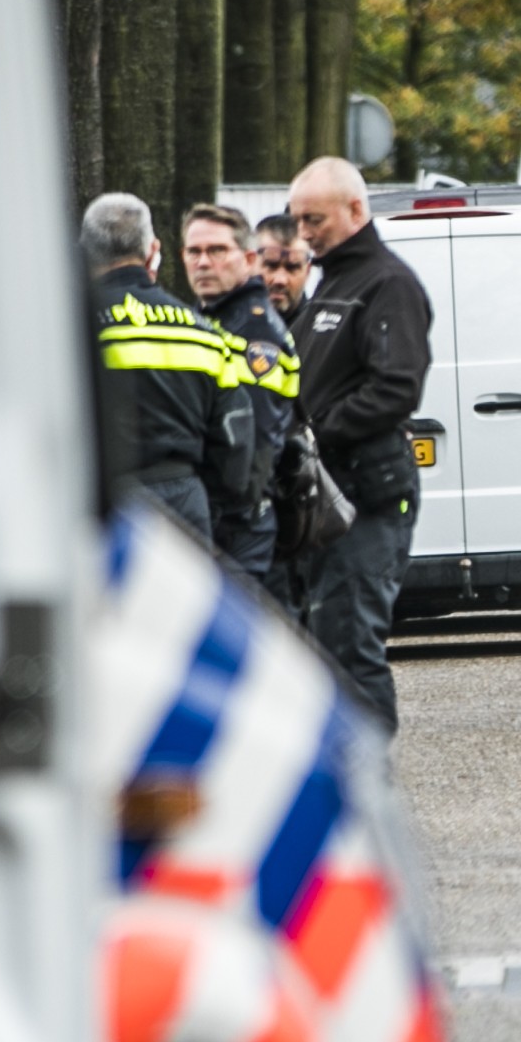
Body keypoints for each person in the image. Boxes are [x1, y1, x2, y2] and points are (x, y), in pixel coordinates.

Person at [285, 157, 433, 726]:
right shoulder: (334, 284)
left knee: (349, 647)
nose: (304, 232)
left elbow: (397, 389)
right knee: (321, 646)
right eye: (297, 219)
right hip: (324, 498)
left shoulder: (386, 284)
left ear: (354, 210)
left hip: (365, 494)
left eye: (314, 219)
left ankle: (367, 786)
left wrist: (314, 433)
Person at [88, 192, 247, 543]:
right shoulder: (203, 331)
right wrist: (211, 502)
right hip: (185, 503)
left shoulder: (72, 330)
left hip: (103, 504)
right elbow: (234, 436)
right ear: (152, 249)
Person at [182, 203, 303, 580]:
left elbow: (257, 440)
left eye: (217, 250)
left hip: (237, 522)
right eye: (194, 252)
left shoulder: (254, 333)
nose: (203, 262)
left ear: (248, 258)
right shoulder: (204, 319)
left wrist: (221, 509)